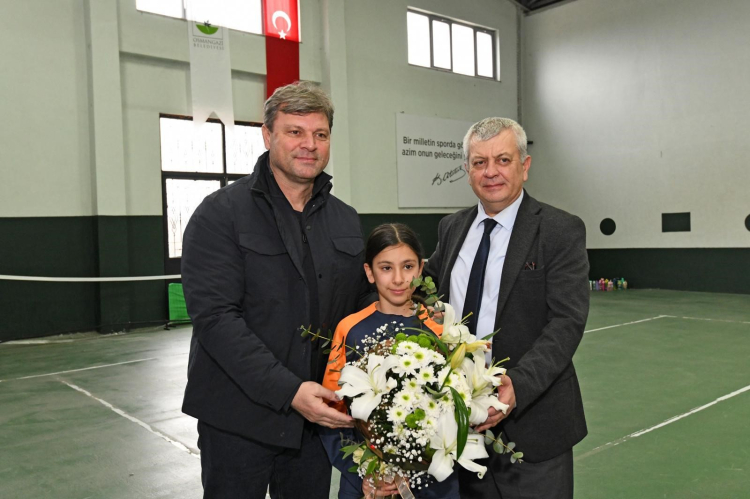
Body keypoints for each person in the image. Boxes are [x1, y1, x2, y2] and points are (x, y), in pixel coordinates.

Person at [181, 81, 372, 499]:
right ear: (267, 135)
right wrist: (289, 391)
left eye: (320, 134)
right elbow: (215, 319)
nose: (310, 145)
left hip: (314, 420)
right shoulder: (220, 215)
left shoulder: (345, 219)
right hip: (237, 419)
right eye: (295, 132)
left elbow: (360, 304)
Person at [424, 117, 589, 499]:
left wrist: (519, 384)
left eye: (503, 160)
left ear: (524, 166)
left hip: (534, 428)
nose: (491, 172)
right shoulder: (452, 228)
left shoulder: (559, 230)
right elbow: (426, 292)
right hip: (457, 424)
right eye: (479, 162)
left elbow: (567, 321)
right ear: (467, 170)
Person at [320, 223, 460, 499]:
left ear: (421, 269)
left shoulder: (442, 329)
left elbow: (458, 406)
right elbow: (331, 416)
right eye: (386, 268)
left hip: (434, 482)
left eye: (407, 267)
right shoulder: (349, 329)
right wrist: (361, 472)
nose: (398, 279)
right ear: (369, 272)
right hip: (369, 484)